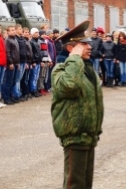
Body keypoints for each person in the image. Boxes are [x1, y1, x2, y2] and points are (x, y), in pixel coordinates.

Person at [51, 20, 104, 189]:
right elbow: (70, 86)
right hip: (75, 135)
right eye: (84, 44)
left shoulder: (88, 69)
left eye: (89, 43)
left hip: (88, 135)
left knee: (85, 184)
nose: (89, 47)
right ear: (70, 48)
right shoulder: (60, 70)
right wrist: (74, 58)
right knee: (75, 184)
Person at [2, 26, 20, 104]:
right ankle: (6, 98)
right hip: (11, 64)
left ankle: (11, 96)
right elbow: (7, 52)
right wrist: (10, 63)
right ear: (8, 32)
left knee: (13, 81)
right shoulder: (8, 40)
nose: (13, 31)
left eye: (14, 30)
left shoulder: (15, 39)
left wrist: (17, 63)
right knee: (8, 81)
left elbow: (17, 52)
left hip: (16, 63)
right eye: (12, 30)